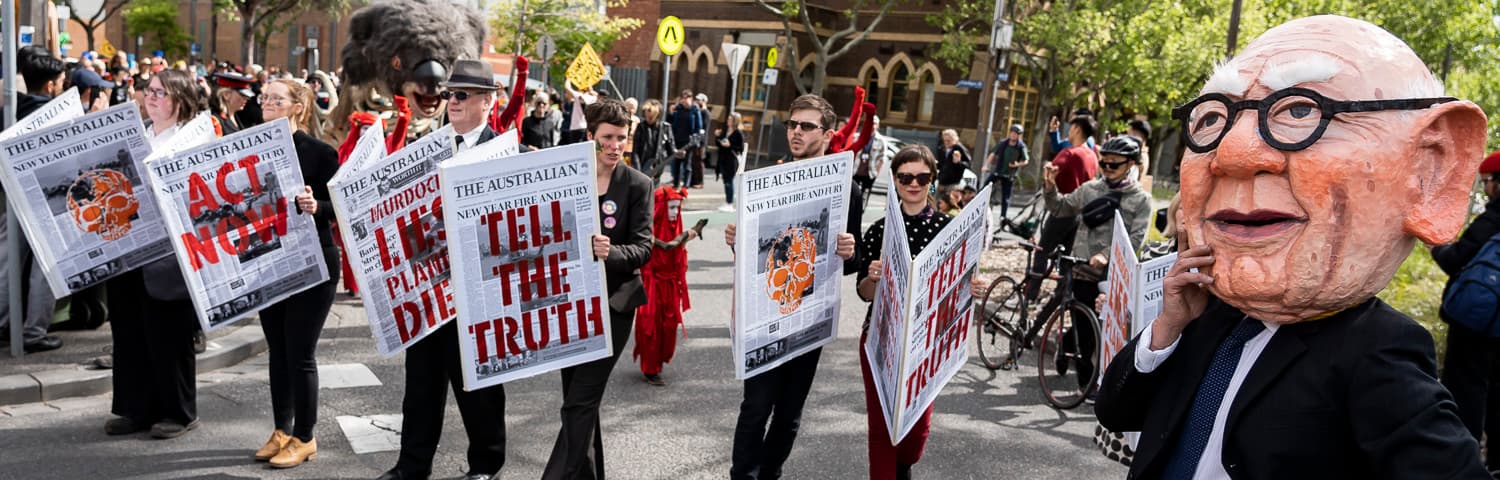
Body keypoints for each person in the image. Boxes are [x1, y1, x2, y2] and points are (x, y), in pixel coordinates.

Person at [1095, 15, 1489, 479]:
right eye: (1213, 118)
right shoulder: (1207, 313)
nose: (1234, 153)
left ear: (1430, 171)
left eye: (1301, 112)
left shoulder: (1376, 352)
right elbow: (1116, 412)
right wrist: (1167, 327)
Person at [376, 60, 509, 480]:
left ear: (488, 102)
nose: (451, 101)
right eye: (450, 93)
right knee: (421, 386)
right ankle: (412, 466)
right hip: (428, 290)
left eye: (462, 94)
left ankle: (485, 466)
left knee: (479, 388)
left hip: (477, 293)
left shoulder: (508, 153)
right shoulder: (425, 149)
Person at [722, 94, 860, 480]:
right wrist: (737, 238)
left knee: (789, 414)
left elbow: (857, 258)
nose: (796, 132)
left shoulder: (848, 188)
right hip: (766, 313)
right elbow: (754, 255)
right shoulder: (768, 179)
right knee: (755, 407)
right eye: (792, 124)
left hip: (810, 314)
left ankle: (770, 474)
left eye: (806, 126)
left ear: (829, 134)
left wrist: (850, 250)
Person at [854, 145, 988, 480]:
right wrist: (873, 278)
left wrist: (972, 289)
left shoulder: (950, 229)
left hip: (928, 343)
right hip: (880, 339)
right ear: (895, 180)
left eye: (922, 177)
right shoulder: (879, 230)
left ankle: (904, 463)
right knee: (882, 426)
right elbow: (864, 294)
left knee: (916, 432)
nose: (913, 183)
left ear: (932, 180)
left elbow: (961, 289)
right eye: (905, 177)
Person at [541, 98, 654, 480]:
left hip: (614, 306)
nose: (614, 145)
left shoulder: (638, 184)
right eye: (607, 137)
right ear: (590, 137)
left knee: (579, 403)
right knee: (578, 401)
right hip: (569, 303)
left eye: (621, 138)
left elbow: (644, 247)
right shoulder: (566, 180)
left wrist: (612, 252)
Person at [106, 69, 206, 439]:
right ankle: (135, 409)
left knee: (168, 335)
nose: (152, 97)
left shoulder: (192, 139)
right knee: (129, 333)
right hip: (127, 248)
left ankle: (178, 413)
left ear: (180, 100)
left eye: (161, 93)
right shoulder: (135, 135)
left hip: (168, 256)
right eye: (150, 91)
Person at [247, 78, 341, 468]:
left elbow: (338, 207)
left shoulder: (321, 153)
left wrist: (315, 205)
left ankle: (305, 436)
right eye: (264, 97)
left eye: (276, 98)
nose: (267, 102)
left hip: (312, 263)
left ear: (298, 107)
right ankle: (282, 430)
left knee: (300, 353)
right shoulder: (249, 148)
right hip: (268, 262)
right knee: (278, 352)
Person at [1041, 135, 1151, 389]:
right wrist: (1050, 187)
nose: (1108, 169)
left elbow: (1137, 238)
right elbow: (1060, 208)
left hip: (1114, 275)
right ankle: (1086, 384)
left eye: (1115, 164)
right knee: (1088, 330)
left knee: (1098, 328)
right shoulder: (1090, 189)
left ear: (1131, 163)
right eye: (1105, 164)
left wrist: (1107, 256)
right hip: (1082, 270)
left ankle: (1066, 345)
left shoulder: (1140, 199)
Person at [1435, 152, 1500, 472]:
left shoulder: (1493, 219)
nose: (1486, 189)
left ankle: (1463, 459)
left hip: (1476, 324)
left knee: (1466, 388)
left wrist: (1437, 245)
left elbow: (1454, 259)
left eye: (1488, 182)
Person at [0, 46, 66, 354]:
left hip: (13, 195)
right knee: (48, 265)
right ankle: (34, 331)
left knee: (6, 260)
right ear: (51, 84)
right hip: (48, 199)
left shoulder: (10, 110)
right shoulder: (57, 114)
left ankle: (3, 323)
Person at [634, 185, 706, 385]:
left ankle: (659, 361)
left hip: (670, 284)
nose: (675, 212)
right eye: (671, 208)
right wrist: (691, 232)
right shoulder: (647, 231)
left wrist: (688, 234)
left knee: (668, 326)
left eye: (677, 208)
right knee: (651, 327)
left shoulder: (674, 226)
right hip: (652, 283)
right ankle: (650, 368)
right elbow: (668, 246)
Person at [1025, 116, 1098, 299]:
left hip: (1062, 209)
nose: (1069, 131)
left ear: (1077, 129)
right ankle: (1060, 298)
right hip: (1080, 213)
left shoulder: (1070, 153)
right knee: (1066, 260)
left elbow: (1050, 173)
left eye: (1071, 127)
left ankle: (1031, 295)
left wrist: (1048, 175)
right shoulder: (1092, 155)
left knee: (1042, 251)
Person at [984, 124, 1030, 218]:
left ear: (1019, 135)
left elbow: (1026, 161)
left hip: (1009, 175)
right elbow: (992, 154)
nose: (1013, 135)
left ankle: (1003, 217)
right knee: (985, 188)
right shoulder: (1003, 143)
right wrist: (986, 166)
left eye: (1015, 134)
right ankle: (980, 208)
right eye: (1012, 133)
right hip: (998, 171)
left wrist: (1017, 164)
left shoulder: (1021, 146)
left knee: (1005, 197)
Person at [632, 99, 675, 183]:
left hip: (657, 166)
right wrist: (638, 169)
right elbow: (635, 150)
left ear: (657, 115)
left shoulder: (665, 128)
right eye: (646, 116)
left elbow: (671, 148)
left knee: (654, 190)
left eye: (651, 117)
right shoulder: (641, 127)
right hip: (642, 164)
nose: (648, 119)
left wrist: (677, 153)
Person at [667, 90, 703, 188]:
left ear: (691, 99)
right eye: (683, 98)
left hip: (689, 142)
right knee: (676, 163)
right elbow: (669, 122)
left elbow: (698, 126)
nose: (684, 100)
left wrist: (696, 139)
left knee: (687, 164)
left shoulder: (695, 109)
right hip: (677, 140)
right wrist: (670, 113)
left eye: (686, 98)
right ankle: (676, 184)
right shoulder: (678, 108)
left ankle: (685, 186)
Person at [716, 111, 746, 212]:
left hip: (731, 160)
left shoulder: (738, 133)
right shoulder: (725, 130)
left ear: (735, 121)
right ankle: (727, 202)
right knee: (726, 181)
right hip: (723, 159)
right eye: (728, 118)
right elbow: (719, 143)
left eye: (730, 119)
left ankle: (729, 203)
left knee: (729, 181)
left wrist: (730, 146)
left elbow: (741, 148)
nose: (728, 120)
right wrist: (717, 137)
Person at [852, 115, 886, 200]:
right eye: (870, 124)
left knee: (864, 196)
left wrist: (877, 173)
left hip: (870, 173)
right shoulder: (856, 137)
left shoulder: (881, 140)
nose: (872, 126)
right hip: (855, 171)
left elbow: (882, 158)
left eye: (874, 124)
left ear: (878, 125)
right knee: (853, 194)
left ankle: (862, 210)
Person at [693, 93, 710, 187]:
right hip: (697, 141)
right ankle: (695, 181)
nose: (697, 101)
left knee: (699, 162)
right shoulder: (700, 112)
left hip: (702, 142)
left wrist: (701, 141)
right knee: (695, 161)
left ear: (703, 101)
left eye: (699, 100)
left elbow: (704, 128)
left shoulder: (705, 113)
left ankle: (700, 182)